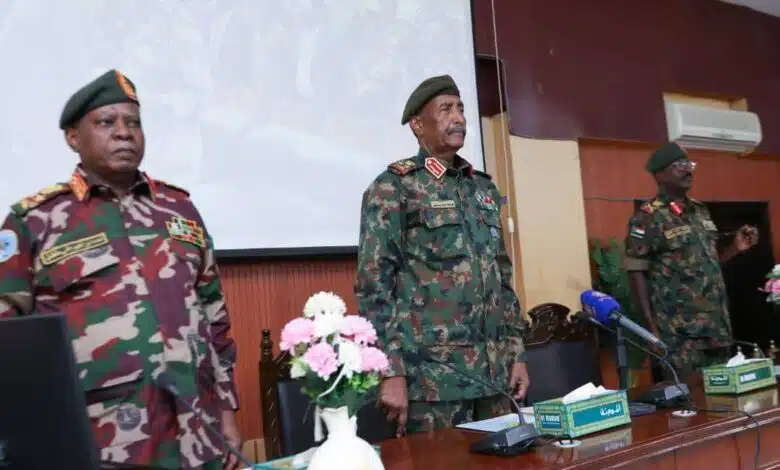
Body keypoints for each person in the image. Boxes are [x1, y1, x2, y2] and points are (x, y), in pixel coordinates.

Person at [0, 70, 241, 470]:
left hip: (198, 435)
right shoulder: (34, 222)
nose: (124, 133)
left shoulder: (179, 209)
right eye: (106, 122)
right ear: (73, 138)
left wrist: (227, 412)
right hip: (101, 443)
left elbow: (214, 320)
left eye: (133, 123)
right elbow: (8, 345)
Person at [355, 74, 530, 435]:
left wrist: (517, 355)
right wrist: (390, 371)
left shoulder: (482, 188)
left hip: (495, 379)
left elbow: (502, 279)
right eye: (446, 109)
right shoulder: (394, 187)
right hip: (434, 382)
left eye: (461, 109)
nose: (459, 118)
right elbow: (374, 286)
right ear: (418, 125)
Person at [623, 142, 759, 382]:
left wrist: (735, 248)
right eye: (679, 165)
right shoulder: (648, 217)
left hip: (716, 329)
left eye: (689, 164)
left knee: (724, 394)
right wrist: (651, 331)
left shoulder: (700, 210)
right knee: (691, 399)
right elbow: (636, 273)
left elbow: (705, 266)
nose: (688, 170)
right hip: (681, 336)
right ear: (659, 174)